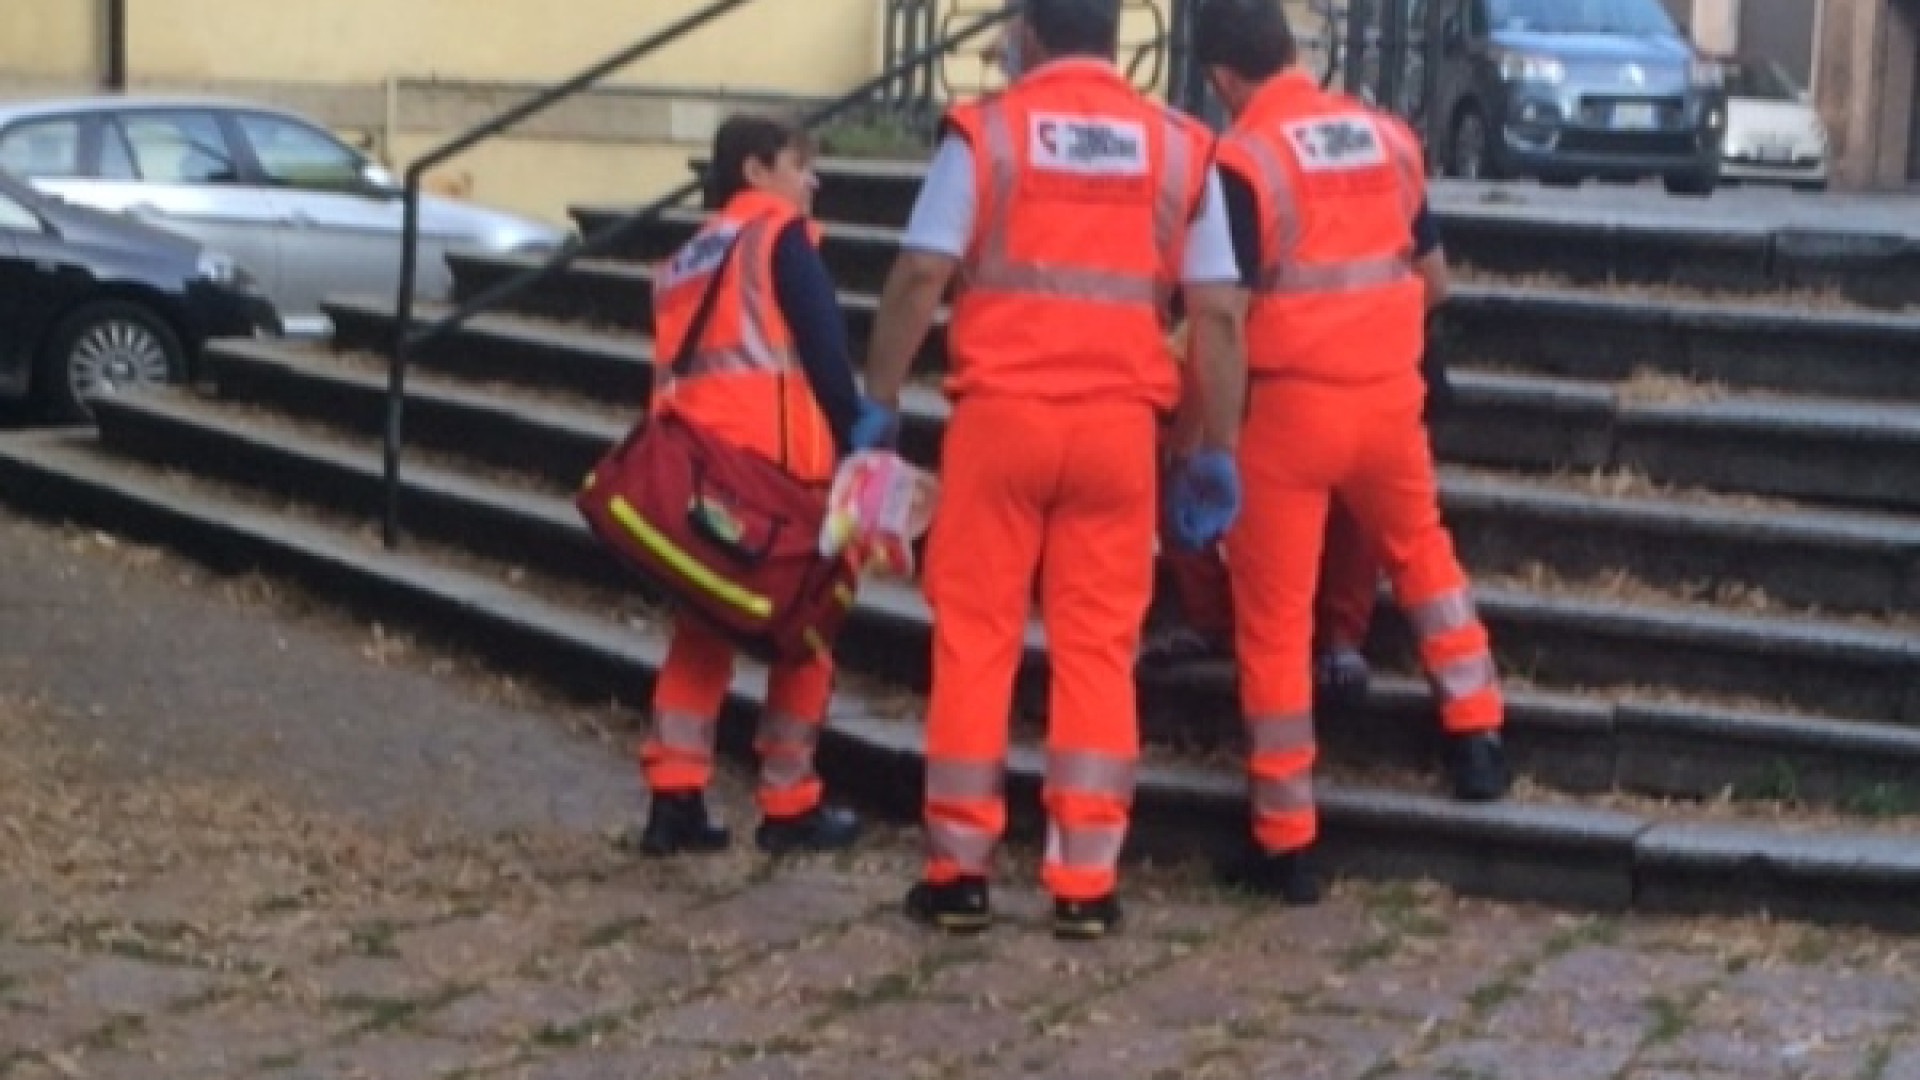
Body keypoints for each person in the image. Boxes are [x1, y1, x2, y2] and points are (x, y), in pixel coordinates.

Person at [862, 0, 1248, 940]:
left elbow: (919, 275)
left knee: (976, 639)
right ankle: (1084, 878)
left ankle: (957, 870)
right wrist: (1211, 446)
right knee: (1099, 648)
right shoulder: (1179, 148)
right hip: (1118, 430)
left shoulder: (985, 133)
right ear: (1113, 36)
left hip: (1000, 422)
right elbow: (1222, 314)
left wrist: (879, 403)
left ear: (1029, 34)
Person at [1191, 0, 1510, 904]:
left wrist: (1210, 439)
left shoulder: (1244, 160)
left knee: (1274, 620)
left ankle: (1286, 839)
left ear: (1221, 78)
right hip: (1386, 402)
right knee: (1426, 563)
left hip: (1288, 414)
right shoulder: (1388, 135)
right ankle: (1478, 733)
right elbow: (1434, 279)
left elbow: (1227, 316)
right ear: (1294, 52)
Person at [632, 115, 886, 858]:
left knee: (702, 631)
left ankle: (673, 797)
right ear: (755, 170)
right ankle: (788, 800)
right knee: (808, 632)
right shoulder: (779, 238)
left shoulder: (685, 259)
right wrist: (857, 439)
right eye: (799, 164)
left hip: (700, 474)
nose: (813, 180)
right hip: (778, 474)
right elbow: (825, 355)